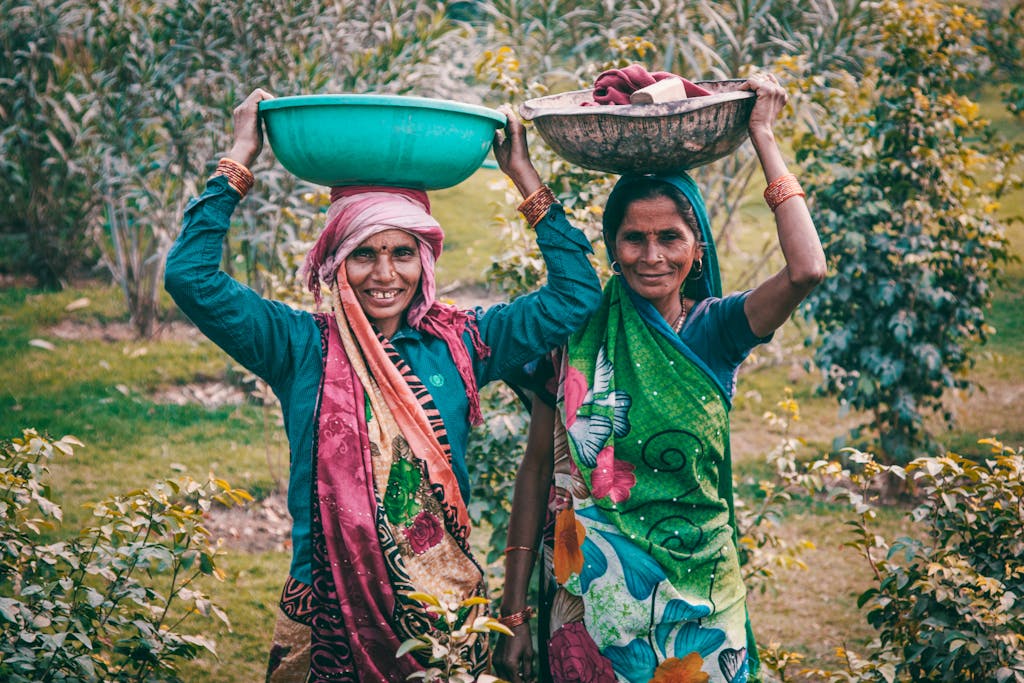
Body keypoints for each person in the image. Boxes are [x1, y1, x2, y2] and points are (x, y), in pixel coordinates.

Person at [164, 88, 602, 682]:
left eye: (402, 252)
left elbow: (576, 294)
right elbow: (190, 277)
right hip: (326, 617)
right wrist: (240, 158)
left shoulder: (464, 342)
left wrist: (524, 176)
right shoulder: (297, 346)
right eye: (363, 254)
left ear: (425, 260)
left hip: (441, 616)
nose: (385, 274)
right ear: (334, 261)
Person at [495, 71, 826, 683]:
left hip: (701, 597)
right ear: (612, 247)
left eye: (670, 238)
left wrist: (764, 136)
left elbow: (806, 270)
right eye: (634, 239)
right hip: (591, 602)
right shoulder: (579, 328)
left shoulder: (717, 329)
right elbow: (538, 466)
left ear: (697, 248)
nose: (652, 256)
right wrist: (513, 610)